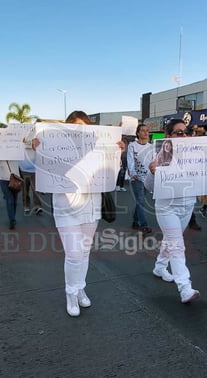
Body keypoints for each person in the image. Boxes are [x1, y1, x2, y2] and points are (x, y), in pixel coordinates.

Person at [32, 110, 125, 317]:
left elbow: (110, 173)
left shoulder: (97, 147)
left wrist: (116, 154)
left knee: (84, 253)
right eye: (76, 127)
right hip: (66, 207)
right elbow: (43, 171)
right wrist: (38, 150)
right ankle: (71, 293)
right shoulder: (57, 147)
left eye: (84, 127)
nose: (80, 131)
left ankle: (80, 287)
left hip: (91, 207)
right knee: (74, 254)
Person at [148, 119, 200, 304]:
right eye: (178, 133)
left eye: (186, 132)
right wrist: (152, 172)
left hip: (187, 204)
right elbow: (148, 185)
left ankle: (160, 267)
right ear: (168, 136)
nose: (183, 135)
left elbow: (205, 177)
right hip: (167, 206)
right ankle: (185, 287)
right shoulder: (159, 155)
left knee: (171, 240)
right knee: (177, 244)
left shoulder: (195, 154)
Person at [127, 124, 153, 234]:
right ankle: (144, 225)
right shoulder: (132, 146)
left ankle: (135, 221)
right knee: (141, 201)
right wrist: (133, 173)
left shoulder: (151, 147)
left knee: (140, 202)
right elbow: (130, 159)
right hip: (136, 178)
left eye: (147, 131)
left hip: (148, 178)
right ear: (138, 133)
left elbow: (153, 161)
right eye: (143, 131)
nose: (146, 133)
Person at [19, 149, 43, 216]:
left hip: (34, 170)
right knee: (25, 190)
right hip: (23, 170)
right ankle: (26, 205)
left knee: (35, 189)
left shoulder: (35, 141)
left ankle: (38, 206)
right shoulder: (20, 142)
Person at [0, 160, 21, 229]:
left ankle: (12, 217)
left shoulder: (17, 153)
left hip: (15, 178)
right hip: (4, 179)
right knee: (10, 199)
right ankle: (12, 219)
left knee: (14, 200)